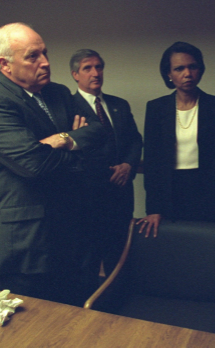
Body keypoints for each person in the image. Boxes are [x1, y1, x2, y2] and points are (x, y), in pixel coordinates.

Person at [0, 23, 107, 306]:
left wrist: (61, 139)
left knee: (75, 327)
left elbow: (98, 131)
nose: (45, 62)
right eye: (33, 56)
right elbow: (34, 163)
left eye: (44, 53)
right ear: (5, 65)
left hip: (75, 239)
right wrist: (75, 145)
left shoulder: (57, 93)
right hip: (28, 249)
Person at [139, 41, 215, 244]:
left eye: (192, 67)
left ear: (200, 70)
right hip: (170, 193)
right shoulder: (156, 108)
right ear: (168, 73)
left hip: (208, 193)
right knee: (171, 252)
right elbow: (152, 162)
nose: (187, 73)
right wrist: (154, 209)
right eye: (179, 68)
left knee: (206, 251)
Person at [70, 49, 142, 279]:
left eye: (99, 67)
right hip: (87, 197)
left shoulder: (119, 105)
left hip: (120, 193)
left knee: (119, 256)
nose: (95, 73)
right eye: (87, 68)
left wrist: (128, 166)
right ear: (75, 75)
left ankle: (117, 305)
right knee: (87, 260)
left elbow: (135, 140)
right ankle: (89, 308)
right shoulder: (67, 108)